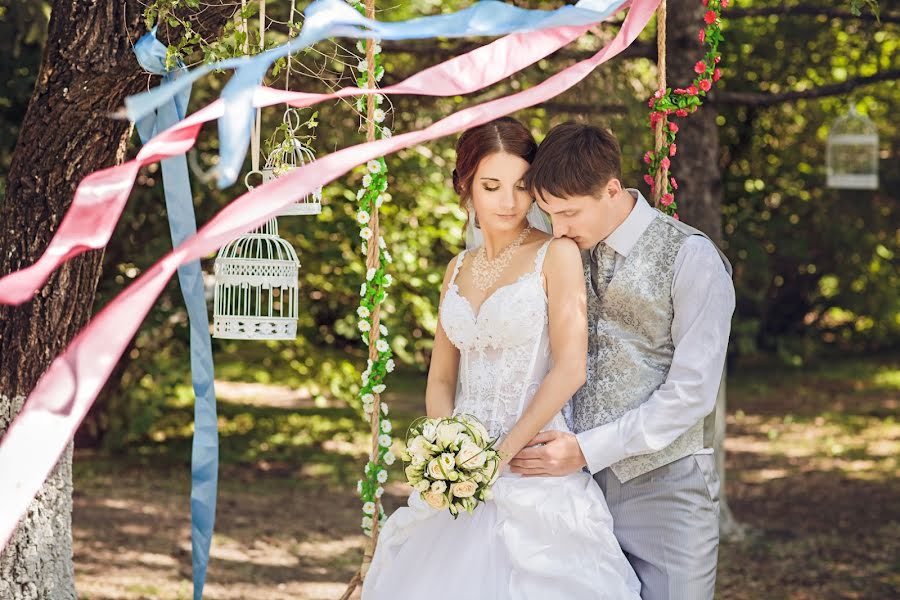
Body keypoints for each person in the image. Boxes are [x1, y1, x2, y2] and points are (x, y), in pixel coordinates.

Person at [362, 117, 640, 599]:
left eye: (521, 186)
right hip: (462, 471)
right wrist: (443, 456)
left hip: (531, 463)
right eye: (492, 186)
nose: (509, 202)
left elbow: (571, 368)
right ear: (465, 185)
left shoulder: (556, 255)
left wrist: (499, 456)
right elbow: (441, 379)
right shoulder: (457, 267)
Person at [510, 122, 735, 600]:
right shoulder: (559, 255)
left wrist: (588, 449)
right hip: (571, 493)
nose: (560, 229)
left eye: (569, 214)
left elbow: (691, 394)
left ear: (612, 190)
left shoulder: (692, 258)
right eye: (550, 215)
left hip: (665, 489)